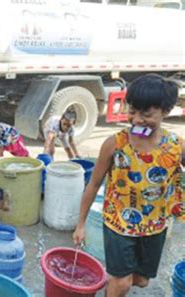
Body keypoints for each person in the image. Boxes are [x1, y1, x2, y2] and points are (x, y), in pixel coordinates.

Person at [73, 74, 184, 297]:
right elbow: (94, 184)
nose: (137, 120)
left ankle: (113, 282)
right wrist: (81, 224)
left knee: (142, 281)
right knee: (122, 283)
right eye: (132, 111)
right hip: (118, 223)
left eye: (147, 114)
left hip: (155, 225)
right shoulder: (115, 144)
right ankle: (116, 283)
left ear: (166, 111)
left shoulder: (176, 146)